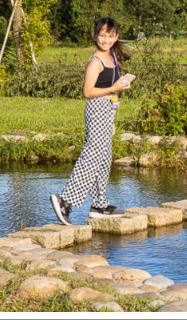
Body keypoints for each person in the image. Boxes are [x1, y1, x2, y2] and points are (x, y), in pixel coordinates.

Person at [50, 17, 133, 225]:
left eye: (110, 35)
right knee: (92, 156)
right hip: (96, 109)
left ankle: (99, 205)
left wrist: (112, 116)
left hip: (107, 110)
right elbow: (88, 92)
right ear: (94, 35)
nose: (105, 40)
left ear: (116, 37)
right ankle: (65, 200)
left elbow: (110, 92)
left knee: (104, 158)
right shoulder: (96, 62)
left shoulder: (112, 57)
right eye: (102, 35)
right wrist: (114, 89)